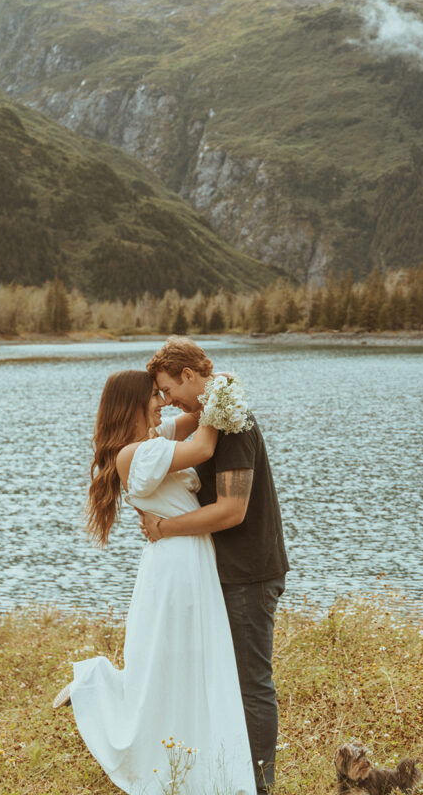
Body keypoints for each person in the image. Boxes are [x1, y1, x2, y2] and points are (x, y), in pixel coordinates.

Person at [54, 369, 256, 795]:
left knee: (185, 664)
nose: (161, 402)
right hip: (175, 565)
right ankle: (94, 685)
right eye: (153, 396)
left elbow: (194, 417)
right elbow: (203, 442)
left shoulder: (154, 437)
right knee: (168, 665)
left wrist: (211, 386)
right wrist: (223, 390)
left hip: (188, 555)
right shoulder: (135, 455)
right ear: (132, 403)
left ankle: (197, 765)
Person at [142, 337, 289, 795]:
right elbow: (178, 429)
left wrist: (165, 528)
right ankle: (228, 775)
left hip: (249, 571)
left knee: (251, 683)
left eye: (168, 389)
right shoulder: (213, 413)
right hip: (224, 570)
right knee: (225, 677)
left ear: (188, 375)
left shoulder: (234, 422)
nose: (167, 402)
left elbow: (232, 511)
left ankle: (259, 785)